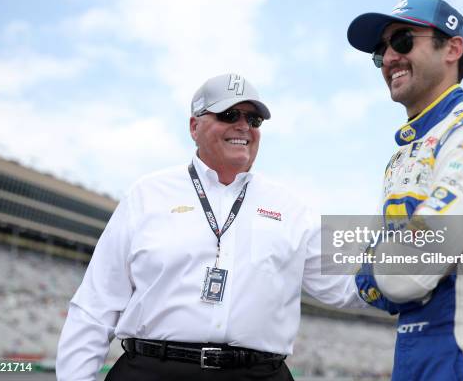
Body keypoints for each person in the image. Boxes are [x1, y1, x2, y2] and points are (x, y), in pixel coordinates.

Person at [56, 73, 364, 381]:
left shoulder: (293, 207)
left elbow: (347, 285)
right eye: (229, 115)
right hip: (152, 371)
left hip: (258, 374)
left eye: (254, 119)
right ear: (194, 126)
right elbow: (96, 305)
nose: (244, 126)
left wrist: (409, 238)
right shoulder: (147, 193)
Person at [347, 0, 463, 380]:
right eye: (380, 51)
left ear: (453, 48)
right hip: (415, 353)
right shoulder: (405, 155)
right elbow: (373, 272)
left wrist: (383, 264)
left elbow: (405, 273)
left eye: (401, 40)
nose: (388, 58)